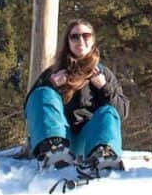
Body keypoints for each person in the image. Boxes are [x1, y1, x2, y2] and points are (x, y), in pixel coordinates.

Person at [24, 19, 128, 171]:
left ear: (92, 40)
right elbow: (32, 105)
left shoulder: (103, 73)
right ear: (68, 42)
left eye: (86, 35)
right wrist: (52, 85)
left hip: (90, 141)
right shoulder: (55, 72)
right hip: (60, 137)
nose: (80, 40)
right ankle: (53, 150)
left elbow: (122, 112)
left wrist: (104, 87)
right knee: (43, 92)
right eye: (74, 36)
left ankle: (104, 156)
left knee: (107, 111)